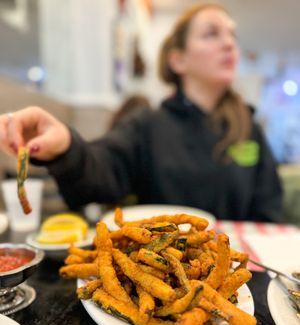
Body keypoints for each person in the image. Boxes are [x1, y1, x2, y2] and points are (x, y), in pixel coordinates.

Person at [0, 2, 282, 222]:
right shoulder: (149, 125)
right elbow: (102, 172)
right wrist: (65, 146)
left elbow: (269, 208)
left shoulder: (249, 128)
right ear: (178, 60)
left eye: (232, 34)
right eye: (212, 34)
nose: (229, 43)